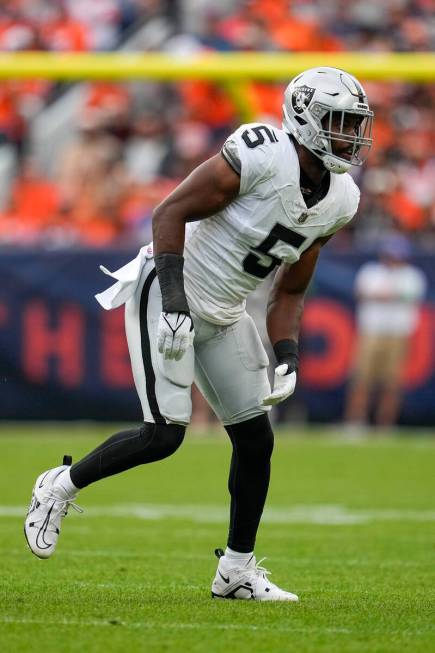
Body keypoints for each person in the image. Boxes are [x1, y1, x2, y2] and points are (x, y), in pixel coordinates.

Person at [24, 67, 373, 601]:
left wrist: (287, 353)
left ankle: (235, 571)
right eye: (340, 123)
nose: (351, 135)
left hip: (227, 311)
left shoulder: (341, 198)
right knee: (164, 435)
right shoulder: (261, 153)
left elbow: (291, 291)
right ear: (304, 119)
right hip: (168, 287)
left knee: (256, 440)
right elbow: (170, 212)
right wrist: (173, 303)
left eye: (356, 124)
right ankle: (58, 486)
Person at [345, 235, 426, 429]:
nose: (393, 260)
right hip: (371, 332)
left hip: (398, 334)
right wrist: (388, 296)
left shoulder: (411, 276)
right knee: (362, 379)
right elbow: (362, 293)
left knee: (392, 382)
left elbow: (409, 296)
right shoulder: (371, 272)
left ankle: (385, 424)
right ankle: (355, 422)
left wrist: (384, 296)